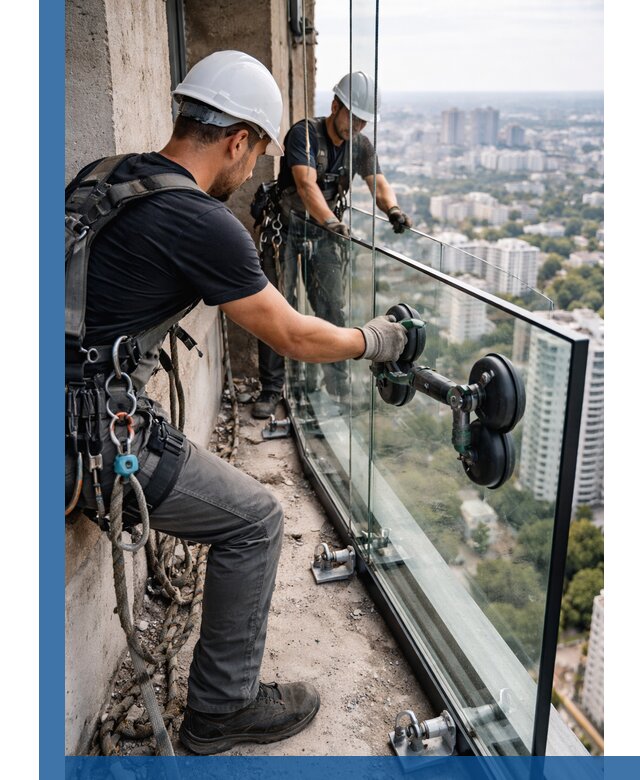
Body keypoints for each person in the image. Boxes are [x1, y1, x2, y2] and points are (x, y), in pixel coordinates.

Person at [65, 51, 408, 755]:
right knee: (255, 519)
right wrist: (375, 341)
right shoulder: (198, 219)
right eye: (253, 156)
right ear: (237, 140)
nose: (251, 173)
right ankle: (222, 711)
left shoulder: (98, 177)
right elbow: (289, 332)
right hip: (88, 435)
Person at [252, 71, 412, 419]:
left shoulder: (361, 147)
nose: (357, 126)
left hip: (324, 234)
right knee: (276, 311)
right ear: (335, 105)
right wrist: (333, 223)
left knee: (333, 310)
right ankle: (271, 388)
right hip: (287, 230)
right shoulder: (304, 135)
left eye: (363, 121)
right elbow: (306, 186)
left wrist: (393, 210)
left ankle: (337, 387)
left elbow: (378, 183)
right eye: (353, 117)